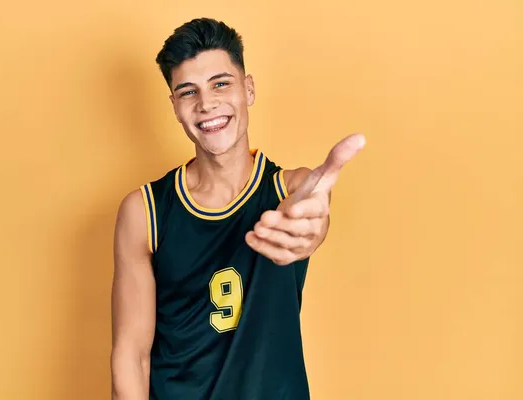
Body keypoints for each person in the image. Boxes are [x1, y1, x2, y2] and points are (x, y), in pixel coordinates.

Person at [110, 17, 365, 400]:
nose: (207, 103)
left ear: (248, 89)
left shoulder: (288, 189)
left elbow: (311, 205)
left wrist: (311, 223)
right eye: (188, 92)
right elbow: (131, 355)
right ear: (175, 107)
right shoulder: (144, 211)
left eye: (221, 84)